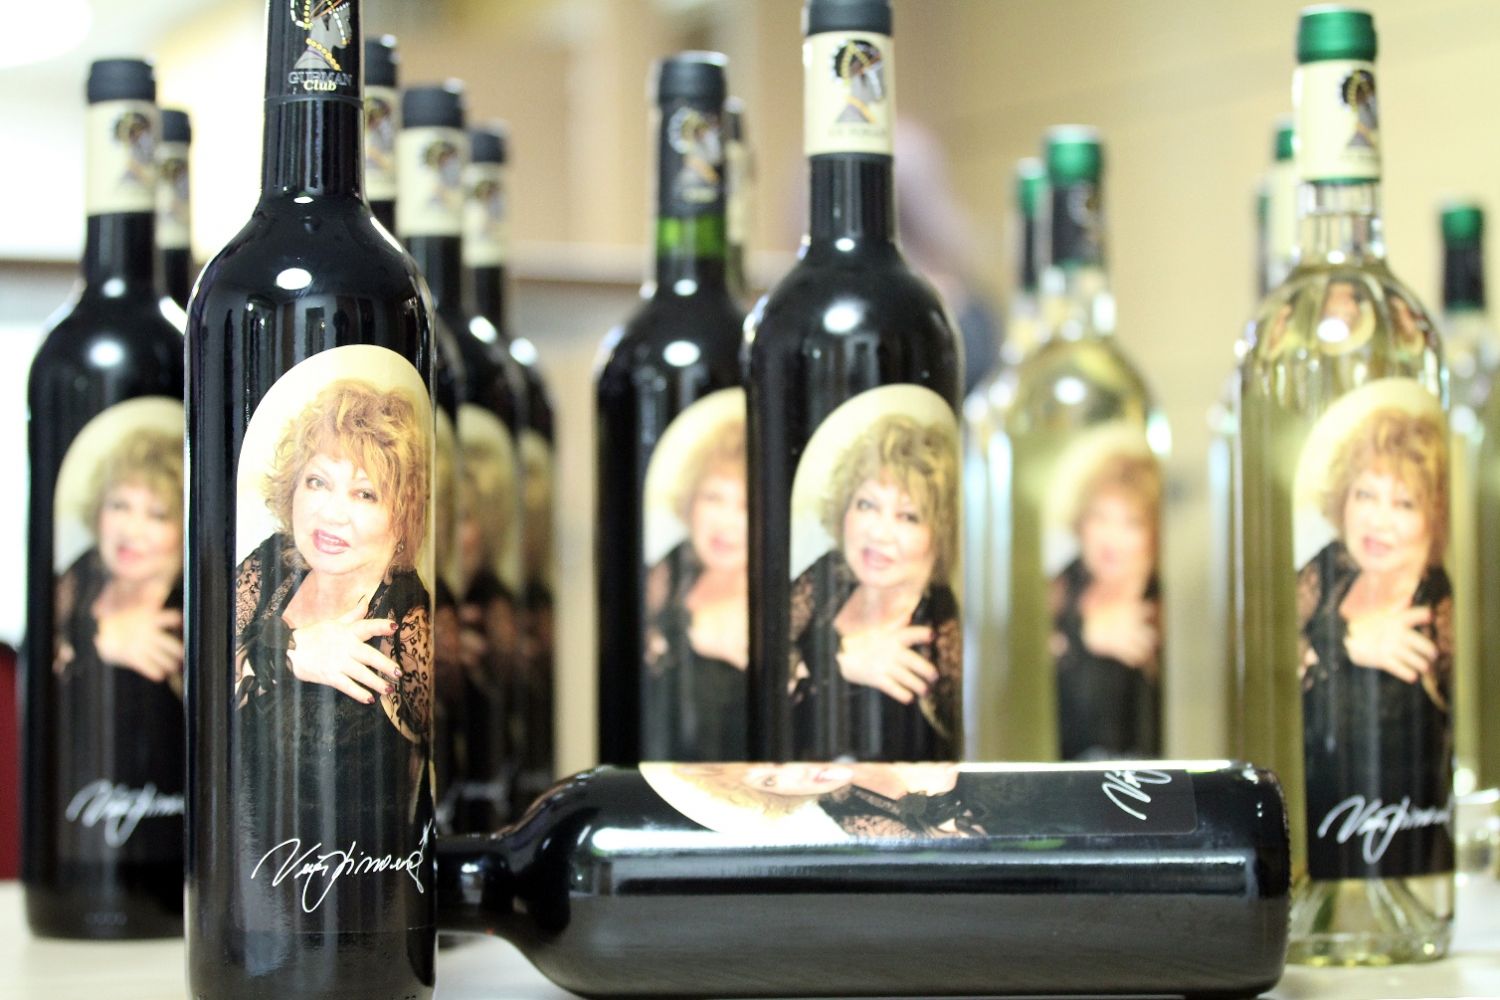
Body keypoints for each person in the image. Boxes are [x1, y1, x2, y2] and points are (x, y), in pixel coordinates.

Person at [233, 379, 432, 920]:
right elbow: (201, 688)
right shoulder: (270, 567)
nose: (331, 514)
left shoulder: (408, 619)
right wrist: (291, 653)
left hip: (358, 909)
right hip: (249, 898)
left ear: (402, 515)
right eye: (318, 482)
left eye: (365, 494)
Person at [1297, 405, 1452, 871]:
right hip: (1315, 847)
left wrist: (1322, 648)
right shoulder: (1329, 571)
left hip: (1409, 859)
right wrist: (1344, 641)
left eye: (1404, 504)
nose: (1378, 521)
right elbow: (1272, 664)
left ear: (1434, 518)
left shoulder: (1442, 609)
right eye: (1366, 494)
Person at [789, 414, 960, 759]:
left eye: (908, 516)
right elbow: (763, 675)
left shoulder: (945, 631)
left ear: (940, 532)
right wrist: (838, 661)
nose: (879, 533)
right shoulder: (827, 575)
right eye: (867, 504)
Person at [53, 428, 185, 851]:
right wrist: (98, 637)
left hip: (166, 840)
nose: (132, 530)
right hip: (77, 825)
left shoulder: (195, 606)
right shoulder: (78, 579)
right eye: (120, 505)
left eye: (157, 515)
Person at [644, 418, 748, 759]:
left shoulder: (783, 601)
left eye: (746, 505)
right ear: (690, 503)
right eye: (714, 497)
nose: (726, 521)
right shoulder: (670, 572)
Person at [1050, 451, 1162, 759]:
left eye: (1131, 523)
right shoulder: (1058, 591)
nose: (1110, 538)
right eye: (1100, 517)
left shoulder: (1168, 602)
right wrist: (1079, 633)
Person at [668, 762, 985, 839]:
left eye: (778, 759)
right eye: (770, 781)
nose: (798, 774)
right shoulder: (852, 814)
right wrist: (942, 795)